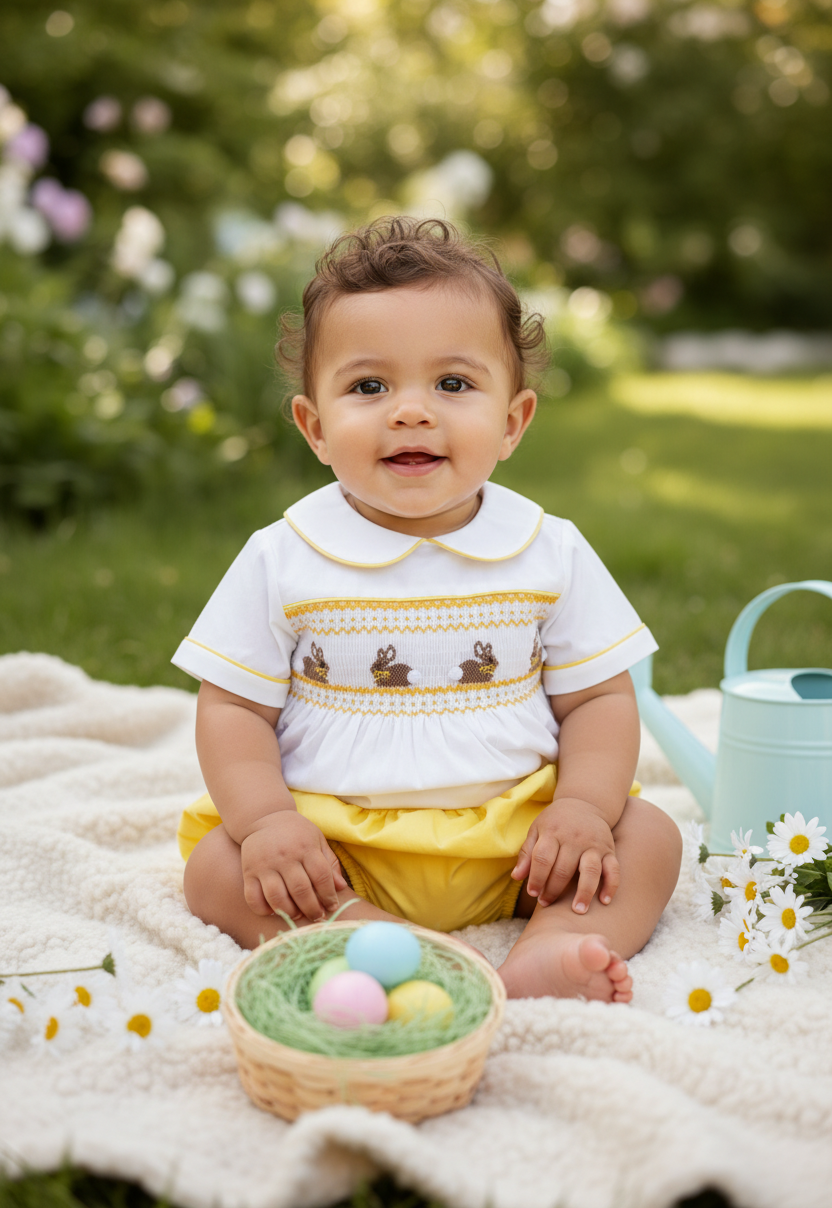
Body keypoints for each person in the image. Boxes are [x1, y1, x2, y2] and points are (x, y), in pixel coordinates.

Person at [173, 217, 682, 1002]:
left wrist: (582, 806)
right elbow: (234, 706)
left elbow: (598, 699)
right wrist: (270, 821)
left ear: (512, 422)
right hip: (339, 843)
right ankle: (373, 937)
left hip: (518, 840)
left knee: (646, 836)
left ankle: (552, 945)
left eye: (452, 384)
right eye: (369, 387)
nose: (410, 411)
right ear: (315, 427)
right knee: (218, 869)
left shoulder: (548, 549)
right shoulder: (284, 556)